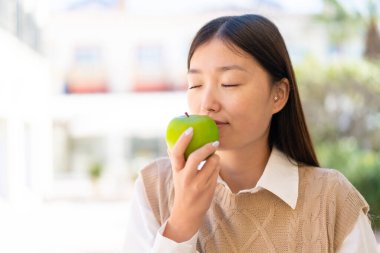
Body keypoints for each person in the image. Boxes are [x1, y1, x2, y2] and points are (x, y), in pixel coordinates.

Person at [124, 14, 379, 252]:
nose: (207, 102)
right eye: (196, 84)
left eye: (229, 83)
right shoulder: (154, 187)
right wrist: (180, 224)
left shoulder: (331, 199)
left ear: (278, 95)